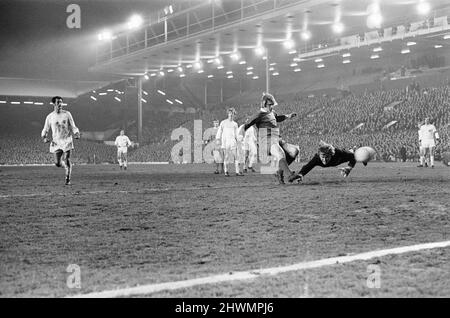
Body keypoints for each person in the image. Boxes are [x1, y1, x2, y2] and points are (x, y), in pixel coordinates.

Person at [243, 92, 297, 184]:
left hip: (276, 138)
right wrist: (239, 136)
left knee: (294, 151)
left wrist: (288, 116)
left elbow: (277, 118)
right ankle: (289, 175)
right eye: (270, 105)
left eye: (272, 105)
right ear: (264, 104)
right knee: (280, 153)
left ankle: (280, 172)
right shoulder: (259, 115)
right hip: (267, 140)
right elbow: (246, 125)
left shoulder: (272, 112)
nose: (272, 106)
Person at [41, 96, 80, 185]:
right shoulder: (50, 117)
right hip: (56, 141)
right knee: (57, 163)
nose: (60, 104)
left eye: (61, 102)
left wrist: (76, 133)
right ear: (54, 104)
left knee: (67, 159)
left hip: (67, 140)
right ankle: (66, 167)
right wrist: (44, 137)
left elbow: (73, 126)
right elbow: (45, 129)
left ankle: (68, 178)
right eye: (58, 102)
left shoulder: (67, 114)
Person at [288, 141, 357, 183]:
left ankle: (353, 149)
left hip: (341, 159)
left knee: (352, 153)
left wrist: (349, 168)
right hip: (337, 160)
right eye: (322, 156)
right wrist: (300, 174)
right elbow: (308, 166)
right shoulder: (317, 158)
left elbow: (353, 156)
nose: (324, 159)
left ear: (331, 154)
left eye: (326, 156)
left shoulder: (339, 153)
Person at [216, 108, 242, 176]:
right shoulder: (223, 122)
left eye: (232, 113)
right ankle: (226, 171)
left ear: (234, 115)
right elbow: (219, 131)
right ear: (228, 114)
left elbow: (236, 134)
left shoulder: (235, 124)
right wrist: (218, 139)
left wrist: (239, 140)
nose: (231, 114)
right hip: (225, 142)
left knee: (236, 157)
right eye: (230, 113)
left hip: (233, 142)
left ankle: (237, 172)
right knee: (226, 157)